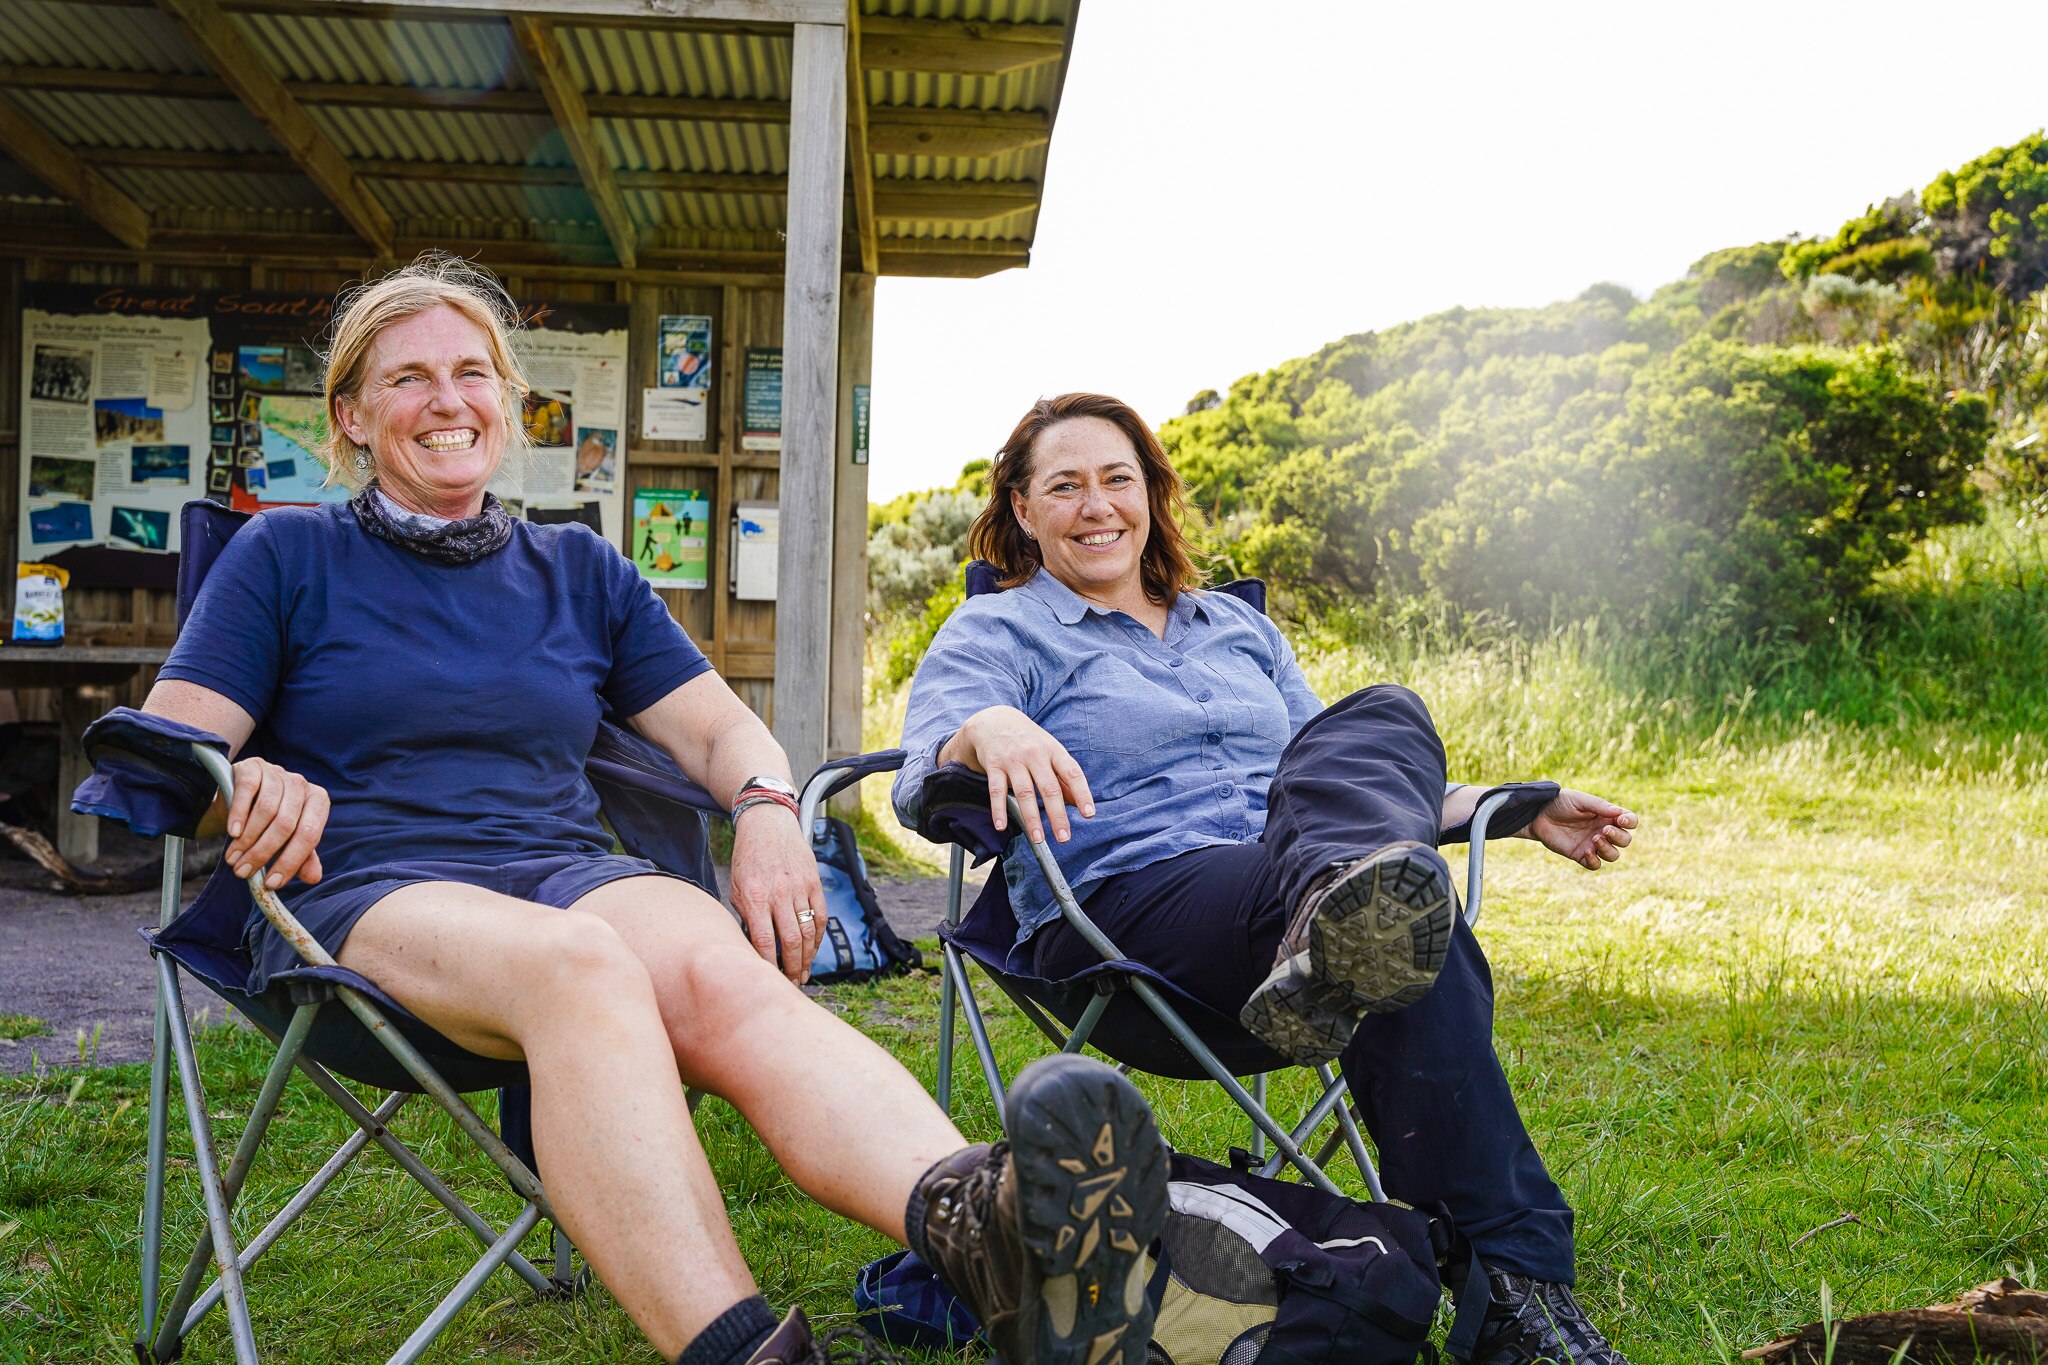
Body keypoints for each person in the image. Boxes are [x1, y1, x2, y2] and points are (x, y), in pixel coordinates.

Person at [144, 259, 1168, 1365]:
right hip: (363, 892)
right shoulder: (289, 554)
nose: (448, 400)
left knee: (715, 975)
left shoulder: (576, 567)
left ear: (506, 395)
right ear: (350, 414)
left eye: (472, 372)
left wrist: (771, 814)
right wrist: (240, 777)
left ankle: (999, 1243)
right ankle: (738, 1349)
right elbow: (171, 754)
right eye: (408, 379)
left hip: (561, 868)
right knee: (579, 966)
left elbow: (725, 735)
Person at [893, 393, 1642, 1365]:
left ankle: (1333, 927)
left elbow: (1337, 773)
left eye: (1116, 479)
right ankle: (1514, 1284)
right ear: (1022, 511)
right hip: (1128, 903)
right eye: (1063, 486)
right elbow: (919, 778)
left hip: (1292, 884)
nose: (1095, 505)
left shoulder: (1234, 631)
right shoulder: (1002, 633)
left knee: (1381, 718)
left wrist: (1515, 803)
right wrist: (986, 725)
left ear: (1151, 495)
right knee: (1394, 908)